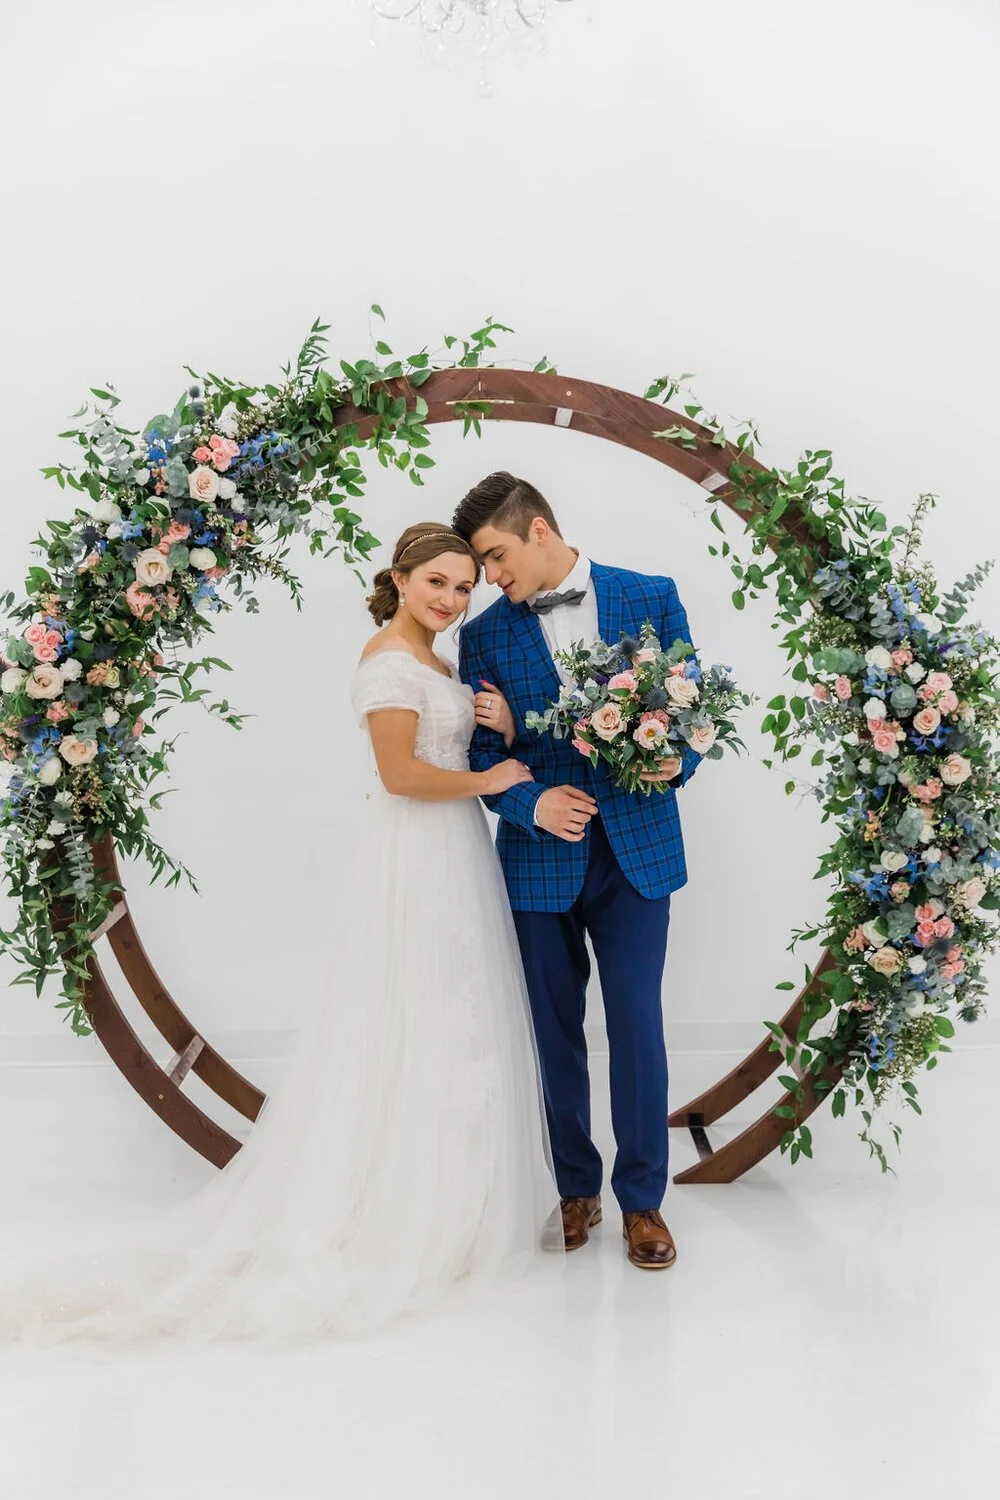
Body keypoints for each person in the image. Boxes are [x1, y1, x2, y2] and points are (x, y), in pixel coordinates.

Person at [0, 523, 559, 1346]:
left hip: (458, 852)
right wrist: (491, 775)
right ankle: (402, 1207)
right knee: (415, 1007)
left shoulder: (440, 660)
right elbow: (400, 775)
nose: (452, 599)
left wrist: (502, 731)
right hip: (417, 853)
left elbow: (454, 745)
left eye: (465, 587)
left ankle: (457, 1194)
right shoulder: (388, 662)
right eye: (437, 582)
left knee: (458, 1012)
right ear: (400, 579)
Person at [453, 473, 701, 1271]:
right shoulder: (484, 637)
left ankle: (645, 1203)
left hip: (639, 853)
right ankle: (573, 1189)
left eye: (494, 557)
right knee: (552, 1034)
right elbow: (483, 756)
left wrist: (673, 760)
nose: (489, 578)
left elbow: (691, 716)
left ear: (539, 532)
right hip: (537, 866)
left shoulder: (651, 595)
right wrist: (533, 806)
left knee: (636, 1024)